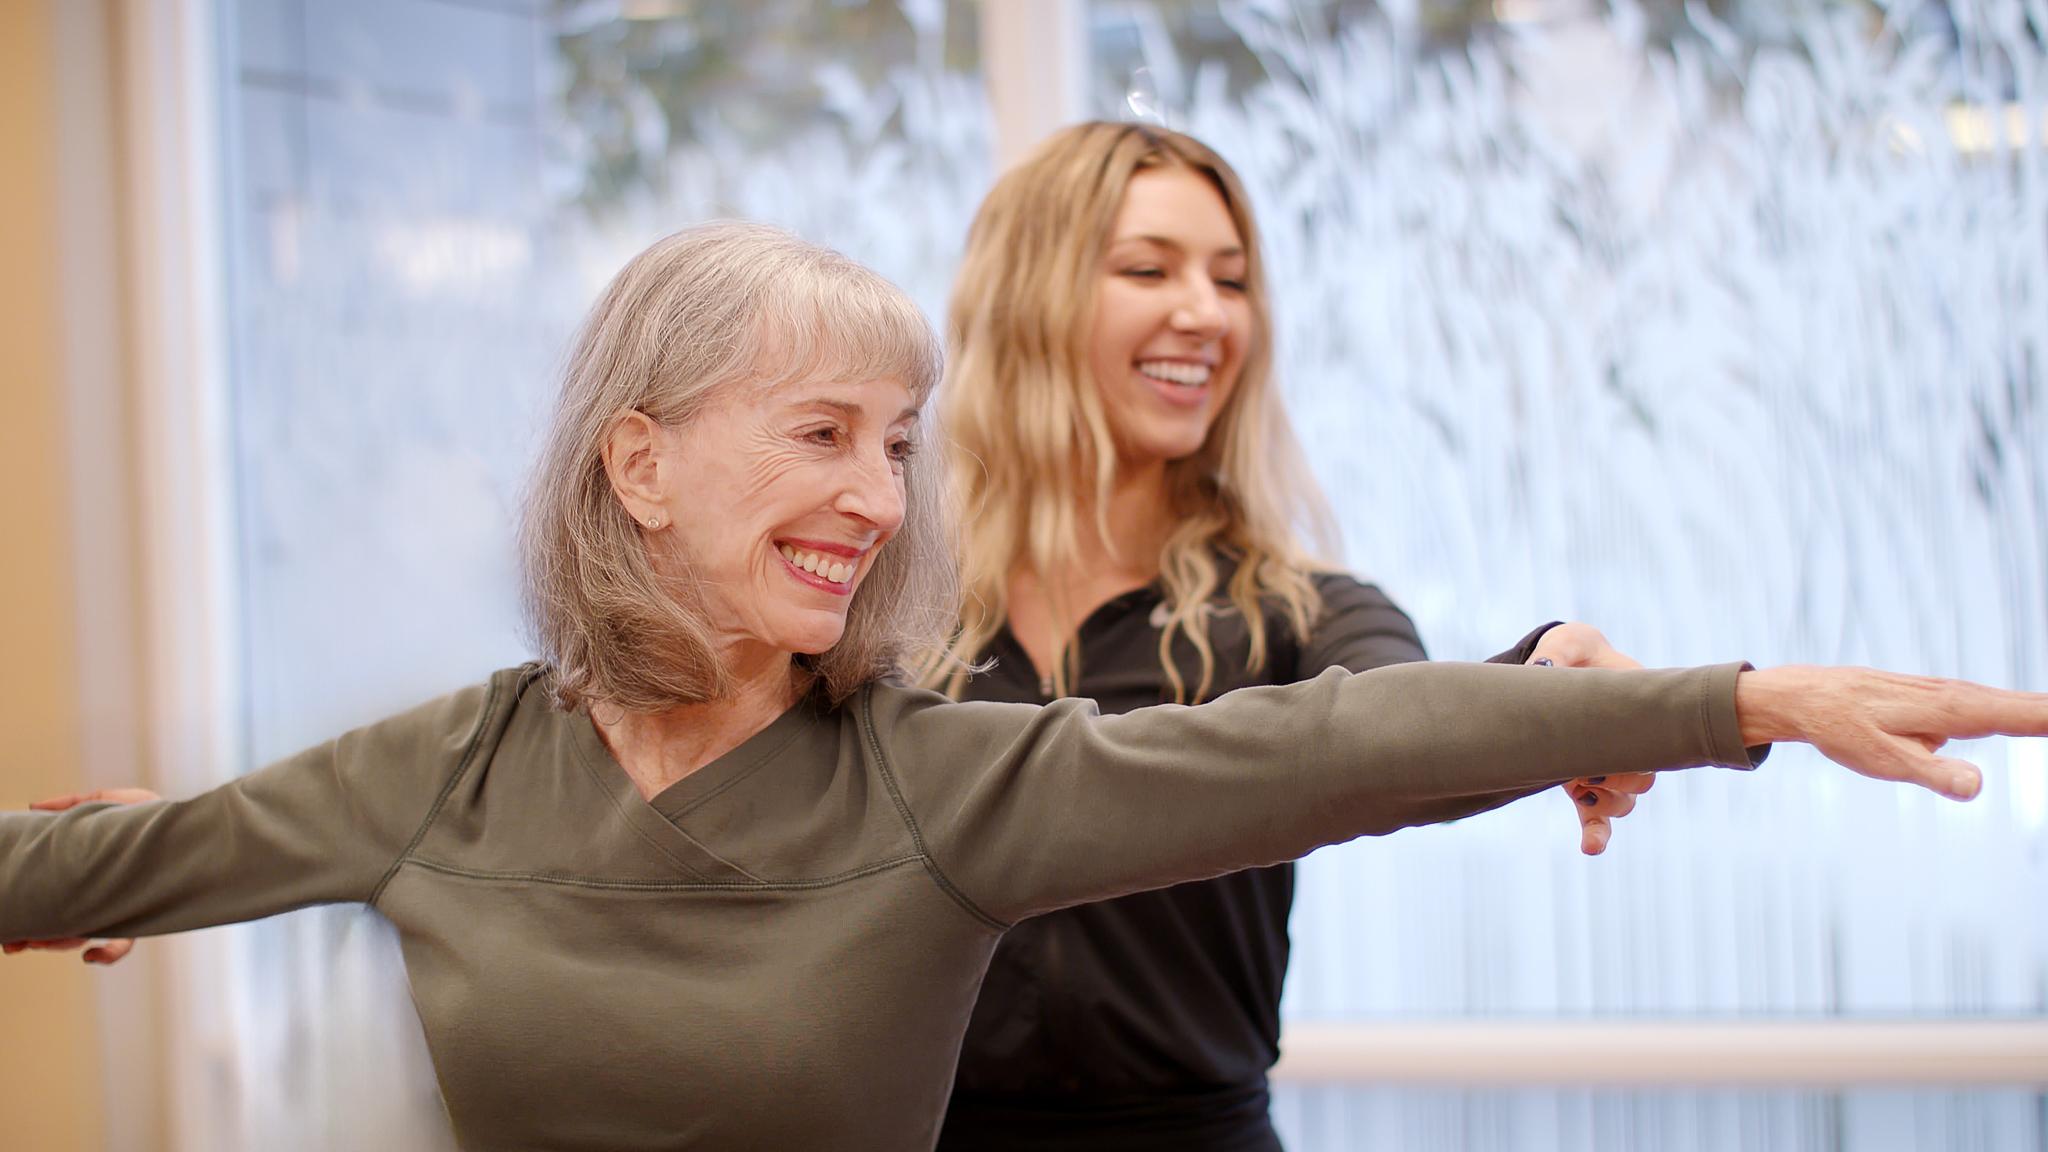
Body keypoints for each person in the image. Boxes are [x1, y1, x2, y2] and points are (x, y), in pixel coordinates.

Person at [1, 221, 2038, 1152]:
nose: (880, 499)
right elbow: (60, 869)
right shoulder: (448, 768)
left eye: (896, 446)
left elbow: (1337, 739)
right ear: (638, 461)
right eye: (820, 437)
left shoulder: (935, 781)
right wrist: (115, 867)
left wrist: (1727, 697)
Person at [926, 121, 1644, 1151]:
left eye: (1231, 280)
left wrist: (1544, 682)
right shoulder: (888, 612)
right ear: (1025, 298)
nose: (1204, 314)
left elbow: (1407, 726)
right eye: (1146, 268)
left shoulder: (1295, 611)